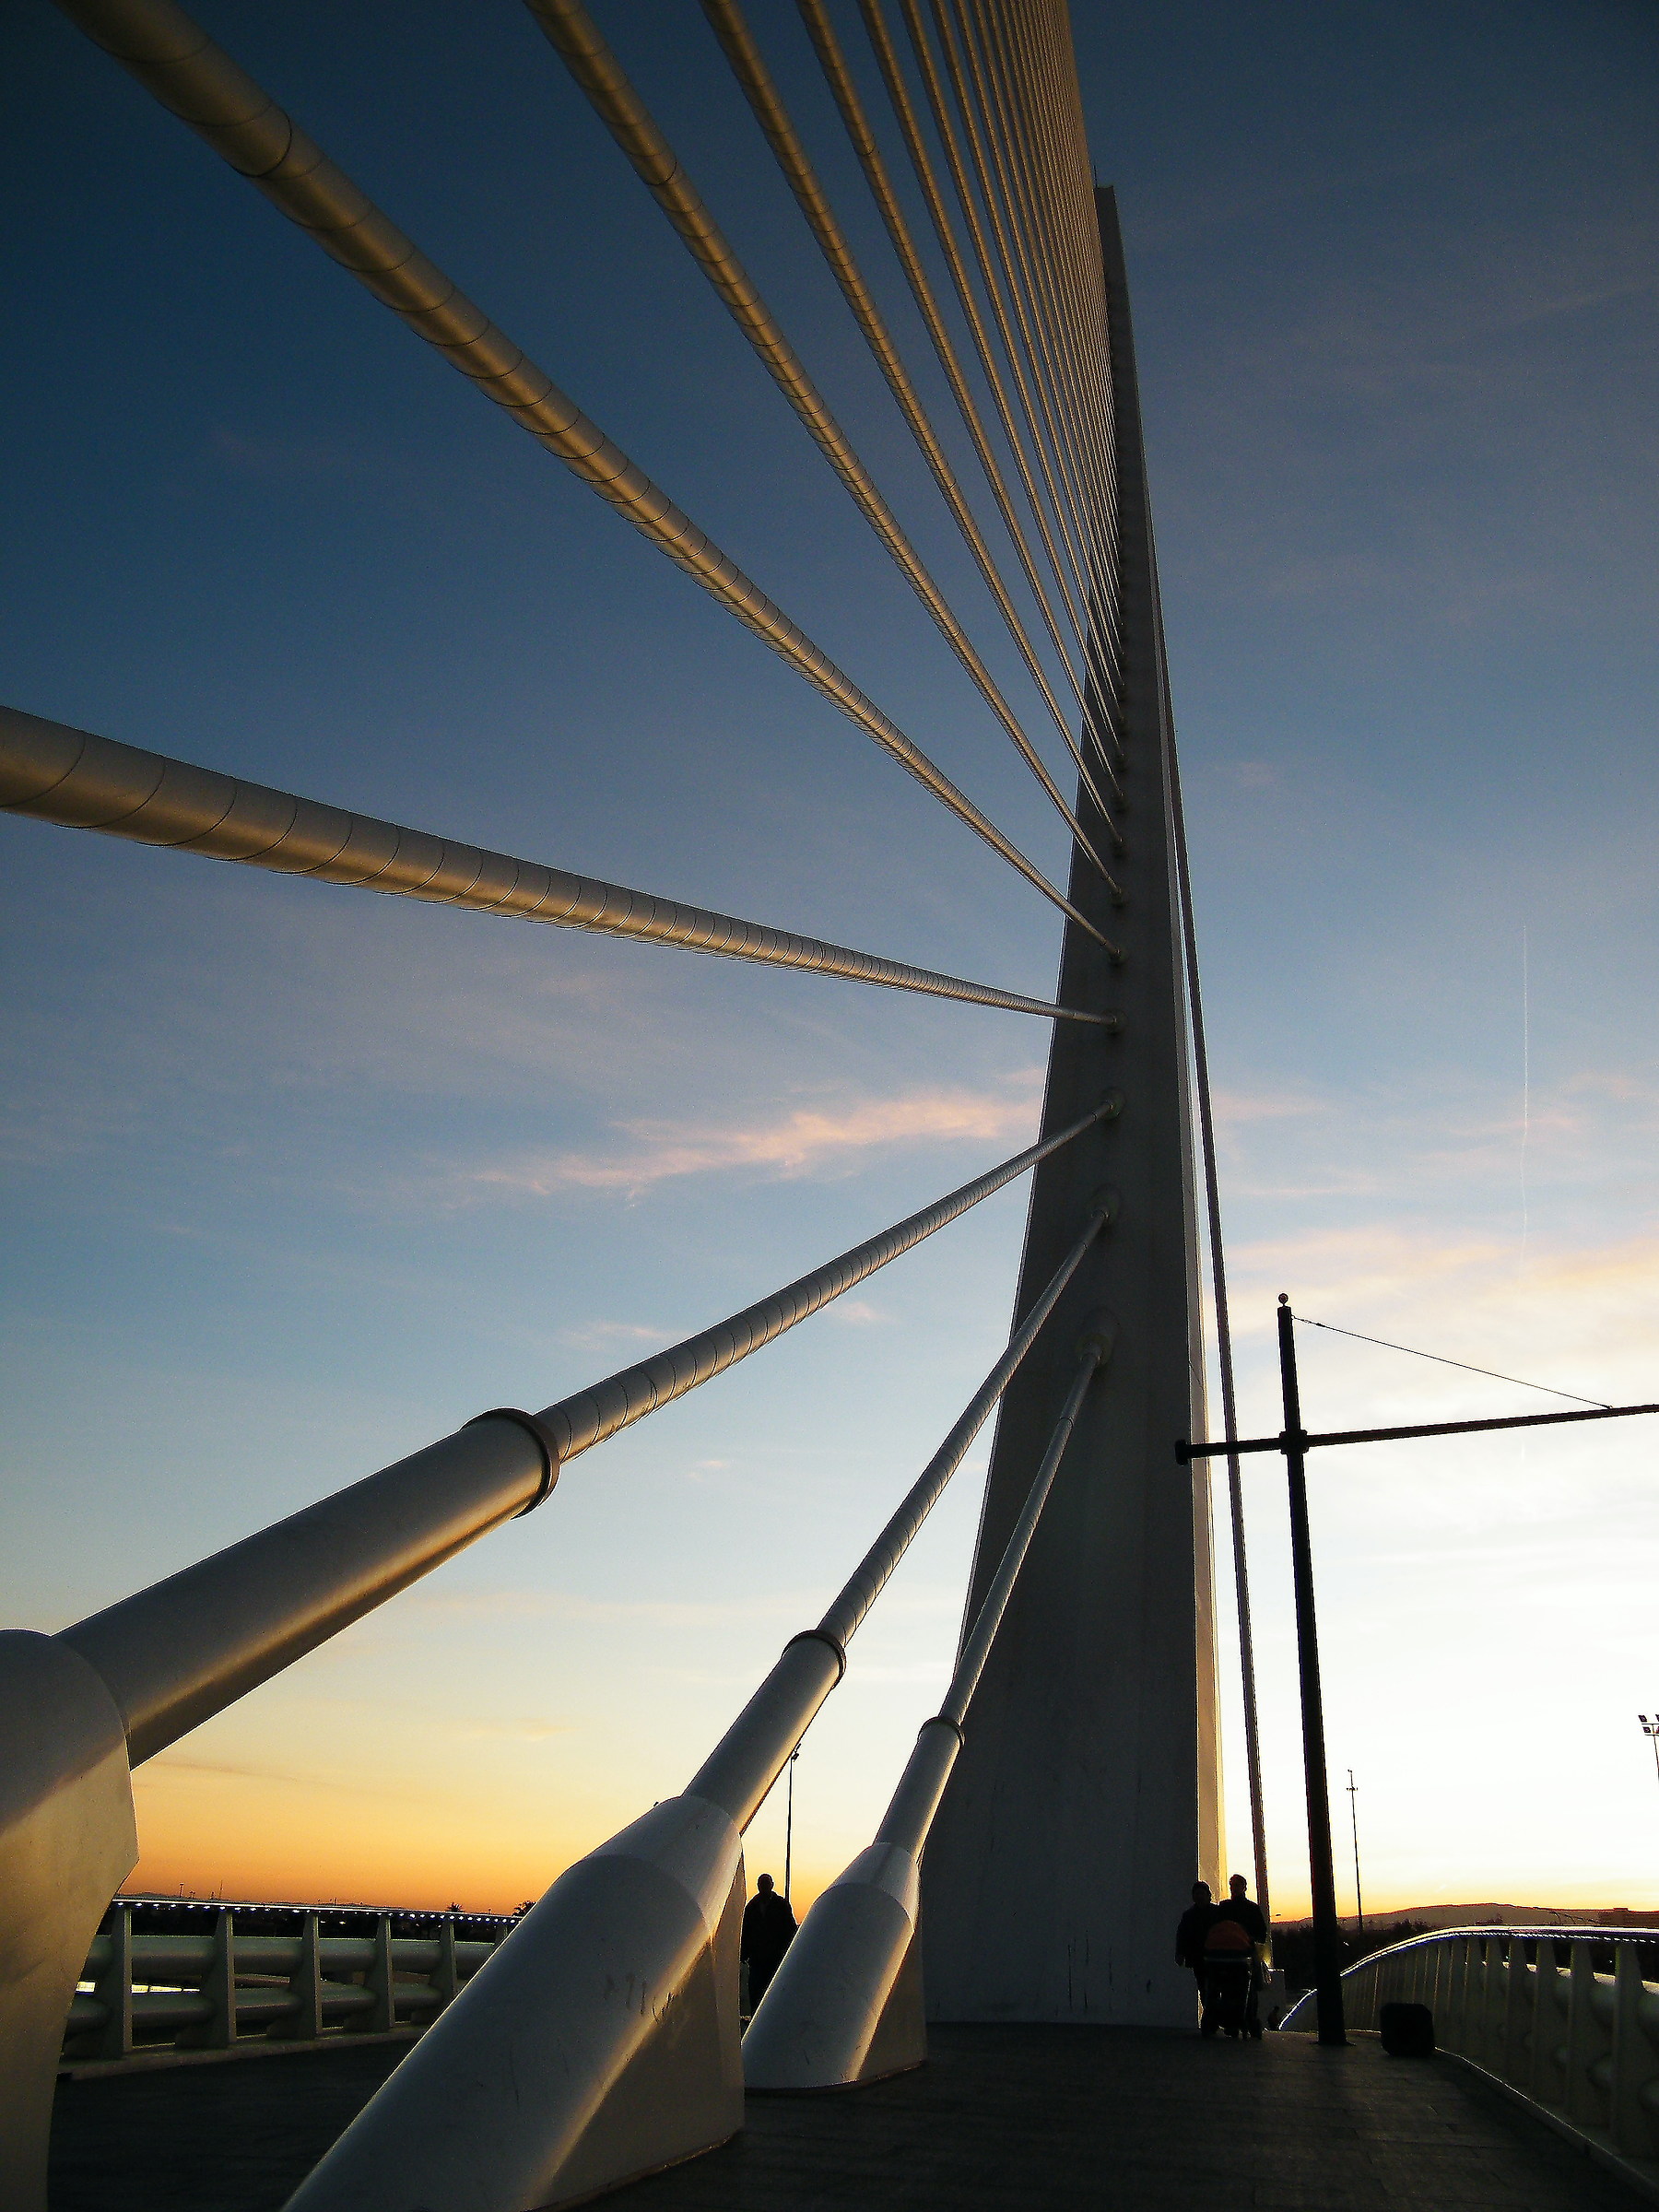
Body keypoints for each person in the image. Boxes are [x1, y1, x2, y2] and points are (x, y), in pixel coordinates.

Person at [1206, 1875, 1269, 2039]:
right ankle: (1233, 2021)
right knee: (1232, 1989)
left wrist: (1250, 1939)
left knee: (1247, 1991)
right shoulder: (1225, 1907)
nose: (1234, 1888)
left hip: (1244, 1954)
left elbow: (1261, 1932)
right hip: (1229, 1955)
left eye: (1237, 1885)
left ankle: (1244, 2019)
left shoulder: (1250, 1909)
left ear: (1244, 1887)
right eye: (1232, 1885)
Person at [740, 1872, 797, 2012]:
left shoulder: (782, 1905)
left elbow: (790, 1929)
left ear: (771, 1885)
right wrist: (743, 1953)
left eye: (766, 1884)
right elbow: (746, 1931)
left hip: (775, 1958)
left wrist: (787, 1951)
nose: (764, 1887)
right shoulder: (751, 1907)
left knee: (773, 1993)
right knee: (756, 1995)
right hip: (757, 1959)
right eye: (761, 1884)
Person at [1174, 1880, 1215, 2006]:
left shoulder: (1217, 1912)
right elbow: (1182, 1935)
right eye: (1197, 1894)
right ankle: (1210, 2016)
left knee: (1214, 1988)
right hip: (1199, 1958)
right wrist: (1180, 1953)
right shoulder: (1189, 1915)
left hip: (1216, 1957)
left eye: (1202, 1893)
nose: (1199, 1896)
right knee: (1203, 1988)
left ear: (1208, 1895)